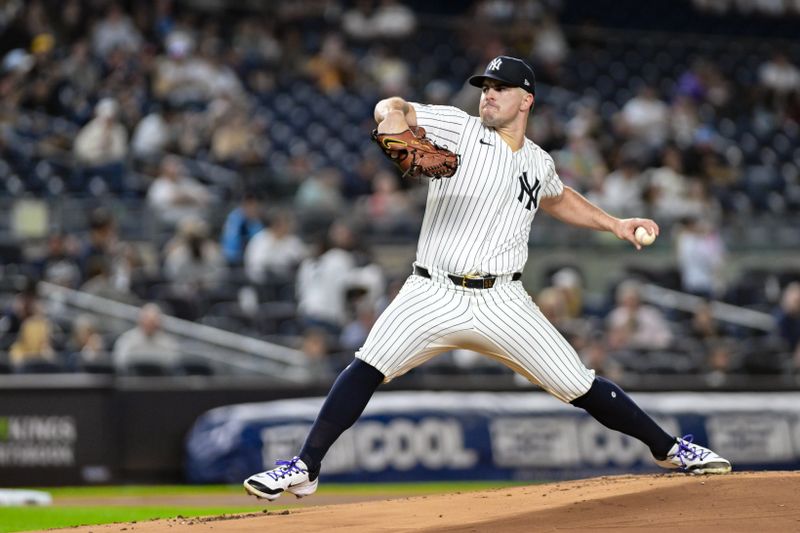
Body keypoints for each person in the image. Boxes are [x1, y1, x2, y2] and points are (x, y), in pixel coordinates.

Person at [243, 55, 731, 502]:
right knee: (367, 365)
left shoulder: (538, 161)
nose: (489, 94)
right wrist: (393, 119)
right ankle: (306, 466)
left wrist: (615, 223)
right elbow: (390, 106)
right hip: (430, 290)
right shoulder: (458, 127)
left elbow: (558, 197)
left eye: (501, 87)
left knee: (579, 384)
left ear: (527, 99)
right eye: (485, 86)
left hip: (503, 299)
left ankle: (669, 449)